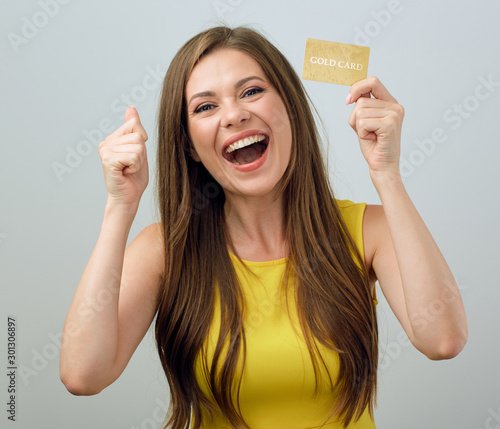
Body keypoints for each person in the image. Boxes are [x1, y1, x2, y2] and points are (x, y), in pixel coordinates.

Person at [59, 25, 468, 429]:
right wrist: (120, 205)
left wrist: (387, 174)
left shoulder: (366, 230)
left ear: (289, 106)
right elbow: (83, 376)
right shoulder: (165, 251)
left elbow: (443, 340)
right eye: (205, 107)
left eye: (251, 91)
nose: (235, 114)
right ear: (190, 147)